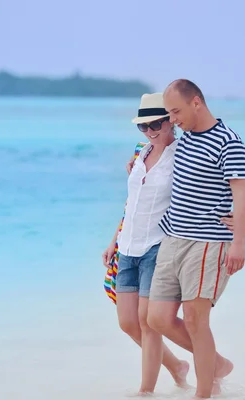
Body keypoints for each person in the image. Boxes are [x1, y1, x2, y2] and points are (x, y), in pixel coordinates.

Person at [144, 79, 245, 399]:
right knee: (157, 318)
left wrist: (239, 242)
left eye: (175, 111)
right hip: (173, 238)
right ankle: (215, 364)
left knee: (195, 319)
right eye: (169, 113)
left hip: (208, 242)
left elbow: (242, 195)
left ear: (196, 103)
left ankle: (203, 394)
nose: (172, 119)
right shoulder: (185, 137)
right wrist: (136, 161)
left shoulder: (228, 141)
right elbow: (154, 148)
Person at [102, 92, 189, 395]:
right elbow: (132, 202)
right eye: (144, 126)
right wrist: (114, 240)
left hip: (157, 246)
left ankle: (145, 392)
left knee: (147, 321)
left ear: (170, 121)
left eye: (156, 124)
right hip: (127, 246)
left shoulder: (183, 156)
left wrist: (228, 217)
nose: (151, 131)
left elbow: (206, 188)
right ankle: (178, 366)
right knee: (128, 323)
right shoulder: (140, 152)